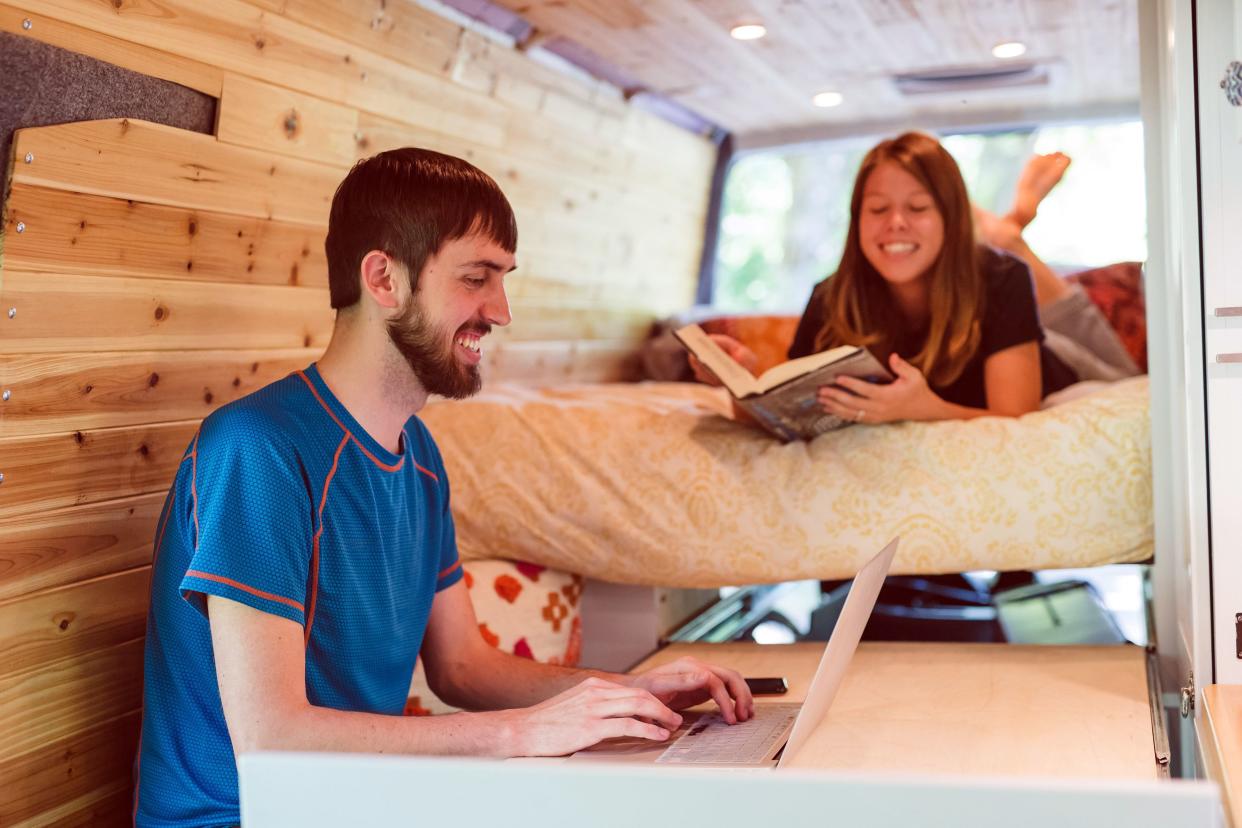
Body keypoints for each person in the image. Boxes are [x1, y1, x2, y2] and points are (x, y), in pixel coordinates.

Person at [133, 148, 753, 827]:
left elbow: (462, 667)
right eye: (477, 278)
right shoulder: (257, 448)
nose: (502, 310)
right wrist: (521, 734)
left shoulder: (420, 455)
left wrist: (630, 692)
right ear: (384, 279)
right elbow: (271, 738)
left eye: (504, 279)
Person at [692, 132, 1137, 425]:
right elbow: (788, 418)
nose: (896, 223)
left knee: (1122, 376)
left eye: (919, 208)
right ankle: (1010, 226)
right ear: (856, 220)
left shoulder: (1000, 278)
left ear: (949, 217)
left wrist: (927, 410)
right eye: (879, 209)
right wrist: (740, 381)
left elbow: (1015, 418)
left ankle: (1011, 232)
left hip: (1068, 362)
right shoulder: (830, 296)